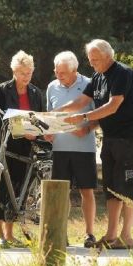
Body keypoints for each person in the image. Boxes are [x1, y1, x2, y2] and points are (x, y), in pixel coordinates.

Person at [61, 39, 133, 249]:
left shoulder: (123, 73)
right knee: (110, 187)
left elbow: (113, 106)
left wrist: (85, 118)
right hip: (110, 137)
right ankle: (110, 235)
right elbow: (80, 101)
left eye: (95, 59)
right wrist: (55, 113)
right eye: (90, 60)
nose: (92, 64)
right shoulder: (98, 77)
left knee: (126, 186)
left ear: (108, 56)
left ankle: (126, 237)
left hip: (128, 137)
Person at [0, 50, 44, 246]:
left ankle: (10, 232)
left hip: (26, 147)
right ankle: (0, 235)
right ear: (14, 71)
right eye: (23, 72)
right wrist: (21, 130)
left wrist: (39, 133)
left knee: (18, 189)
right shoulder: (2, 91)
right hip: (4, 144)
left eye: (29, 72)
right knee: (0, 187)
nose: (26, 76)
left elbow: (39, 118)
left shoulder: (36, 93)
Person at [45, 51, 98, 248]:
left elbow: (99, 116)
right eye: (57, 71)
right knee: (61, 192)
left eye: (63, 72)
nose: (59, 75)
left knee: (87, 191)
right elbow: (49, 115)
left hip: (84, 148)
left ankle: (90, 234)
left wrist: (87, 129)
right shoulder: (52, 87)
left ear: (75, 70)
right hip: (59, 149)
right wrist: (47, 133)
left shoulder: (90, 84)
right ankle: (61, 232)